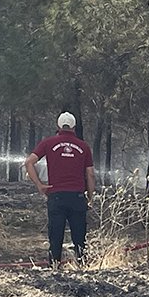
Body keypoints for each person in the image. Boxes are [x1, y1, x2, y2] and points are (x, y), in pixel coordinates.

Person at [24, 112, 96, 267]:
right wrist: (90, 197)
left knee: (55, 236)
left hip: (56, 196)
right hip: (77, 197)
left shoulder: (48, 143)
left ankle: (54, 268)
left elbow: (29, 162)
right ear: (74, 127)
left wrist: (39, 185)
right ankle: (82, 268)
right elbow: (90, 174)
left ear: (58, 126)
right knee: (79, 237)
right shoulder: (83, 146)